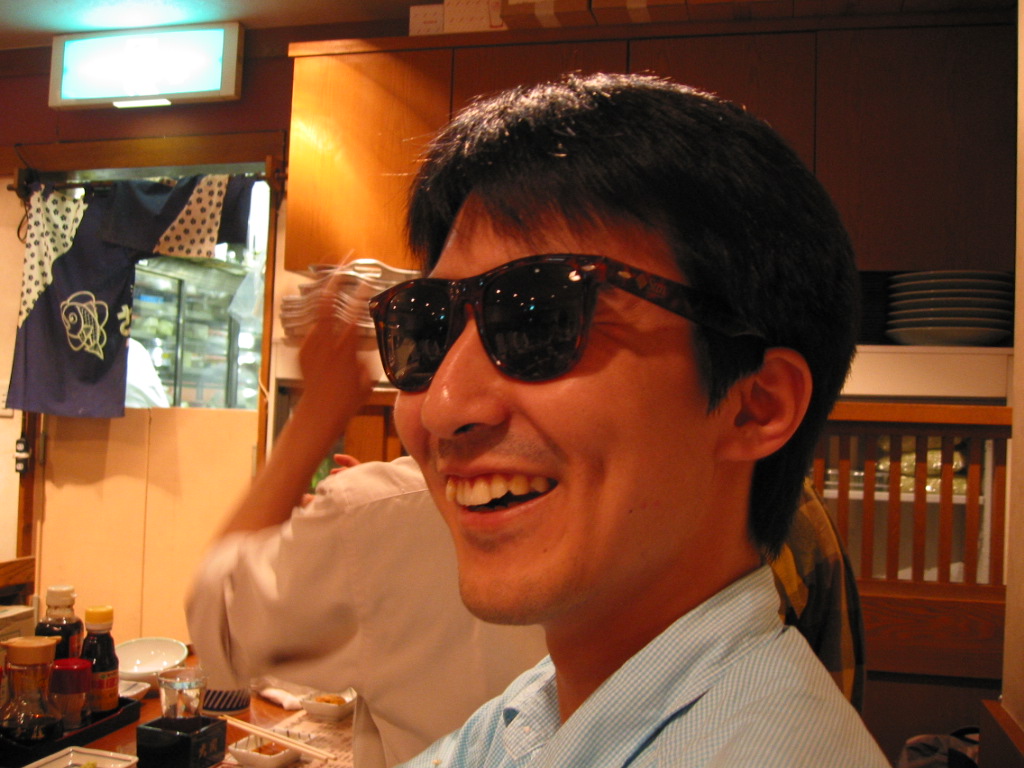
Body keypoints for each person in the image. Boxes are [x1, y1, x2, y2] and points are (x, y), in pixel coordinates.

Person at [366, 73, 889, 767]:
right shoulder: (551, 704)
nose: (443, 406)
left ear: (757, 404)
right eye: (427, 327)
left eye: (540, 320)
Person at [185, 272, 548, 768]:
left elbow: (220, 619)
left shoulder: (374, 512)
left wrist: (319, 412)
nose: (444, 406)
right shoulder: (382, 508)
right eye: (426, 336)